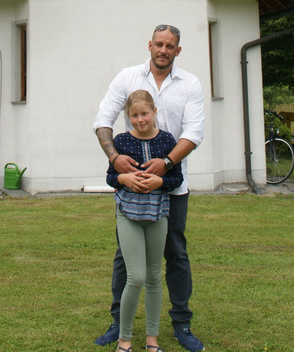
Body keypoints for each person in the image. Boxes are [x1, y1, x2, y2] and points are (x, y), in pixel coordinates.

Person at [94, 24, 205, 352]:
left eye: (170, 46)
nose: (163, 50)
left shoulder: (190, 84)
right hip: (131, 190)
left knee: (177, 254)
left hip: (171, 187)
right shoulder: (128, 77)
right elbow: (102, 119)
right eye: (158, 44)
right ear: (150, 45)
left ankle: (182, 323)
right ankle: (118, 323)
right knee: (124, 259)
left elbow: (194, 132)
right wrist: (115, 160)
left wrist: (167, 165)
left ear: (177, 51)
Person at [106, 90, 183, 352]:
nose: (140, 120)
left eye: (144, 114)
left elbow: (176, 178)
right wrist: (123, 178)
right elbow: (110, 176)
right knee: (135, 276)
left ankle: (152, 341)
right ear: (129, 117)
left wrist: (161, 180)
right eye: (134, 115)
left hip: (158, 212)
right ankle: (124, 340)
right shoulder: (121, 141)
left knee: (152, 277)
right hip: (128, 213)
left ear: (154, 112)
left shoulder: (166, 140)